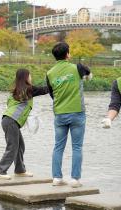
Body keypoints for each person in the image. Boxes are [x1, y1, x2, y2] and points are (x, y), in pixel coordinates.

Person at [46, 42, 92, 188]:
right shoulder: (77, 67)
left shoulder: (49, 73)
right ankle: (75, 179)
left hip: (59, 113)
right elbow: (89, 75)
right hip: (77, 112)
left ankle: (57, 178)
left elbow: (52, 94)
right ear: (67, 54)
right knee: (77, 147)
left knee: (58, 146)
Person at [0, 69, 48, 180]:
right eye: (30, 76)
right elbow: (44, 90)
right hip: (11, 121)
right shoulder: (28, 89)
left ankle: (19, 170)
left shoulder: (17, 90)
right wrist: (54, 81)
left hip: (8, 120)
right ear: (26, 77)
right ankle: (0, 171)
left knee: (20, 146)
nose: (31, 78)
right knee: (13, 147)